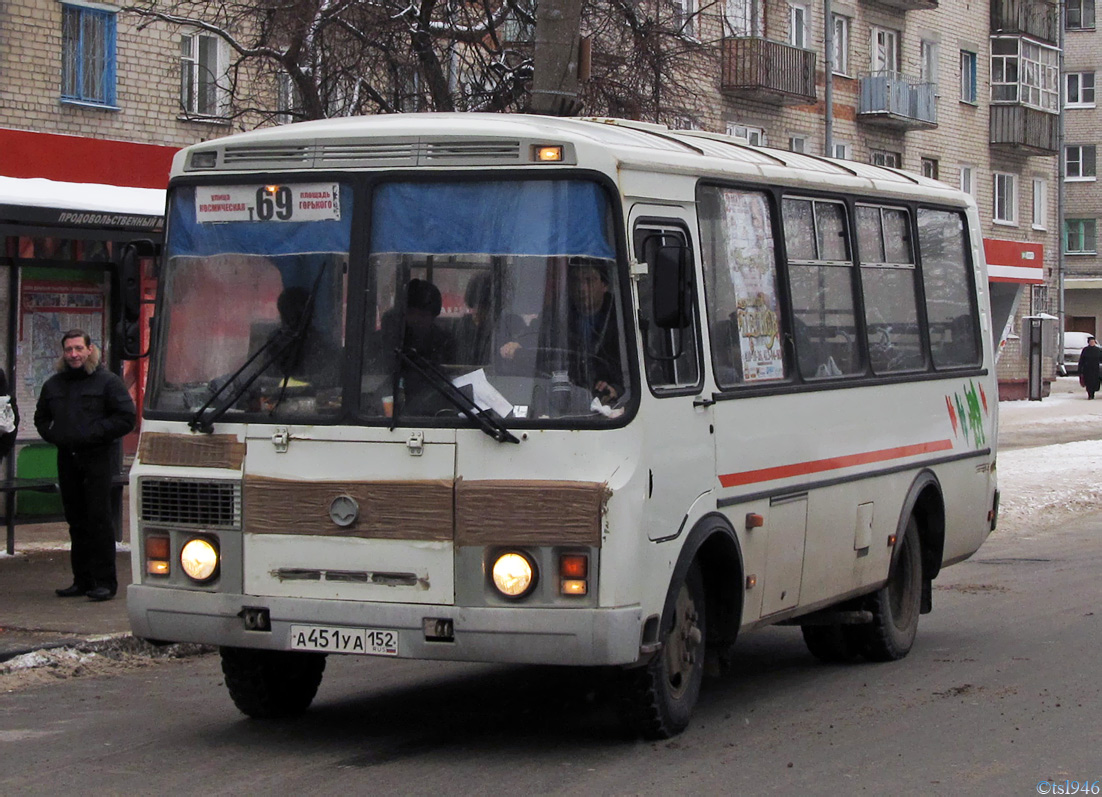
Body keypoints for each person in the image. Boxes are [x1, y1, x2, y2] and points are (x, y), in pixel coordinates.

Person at [34, 330, 136, 601]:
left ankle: (105, 582)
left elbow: (126, 417)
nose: (74, 355)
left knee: (99, 520)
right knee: (76, 521)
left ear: (90, 350)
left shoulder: (107, 382)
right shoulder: (54, 384)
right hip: (67, 458)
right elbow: (41, 418)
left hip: (97, 458)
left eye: (79, 348)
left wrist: (95, 432)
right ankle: (82, 580)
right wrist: (55, 436)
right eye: (69, 350)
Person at [1078, 335, 1102, 400]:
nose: (1092, 343)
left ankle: (1093, 393)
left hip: (1095, 369)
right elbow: (1081, 360)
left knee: (1095, 383)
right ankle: (1090, 395)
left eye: (1093, 342)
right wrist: (1080, 370)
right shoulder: (1085, 350)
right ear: (1088, 342)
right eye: (1091, 342)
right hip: (1087, 369)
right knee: (1088, 383)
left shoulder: (1097, 350)